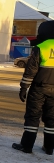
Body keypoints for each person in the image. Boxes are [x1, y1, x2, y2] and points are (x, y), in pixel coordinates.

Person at [13, 20, 54, 155]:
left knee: (33, 117)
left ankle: (27, 145)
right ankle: (49, 147)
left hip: (39, 88)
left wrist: (24, 88)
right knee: (51, 118)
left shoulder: (41, 47)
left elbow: (31, 70)